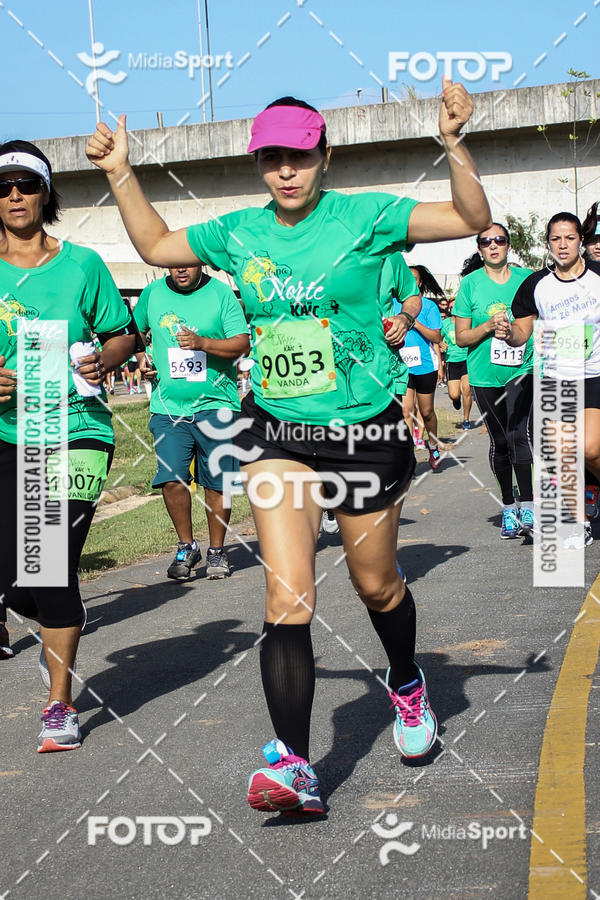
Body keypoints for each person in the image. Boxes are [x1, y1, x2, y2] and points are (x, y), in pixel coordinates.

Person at [86, 79, 492, 814]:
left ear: (324, 156)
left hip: (365, 429)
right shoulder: (238, 230)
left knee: (377, 586)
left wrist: (454, 142)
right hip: (279, 430)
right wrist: (120, 170)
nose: (285, 170)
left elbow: (472, 214)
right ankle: (295, 764)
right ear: (258, 162)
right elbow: (151, 245)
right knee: (287, 594)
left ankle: (406, 683)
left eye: (298, 156)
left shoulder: (369, 216)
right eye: (271, 157)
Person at [0, 140, 137, 750]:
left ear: (46, 193)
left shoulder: (82, 265)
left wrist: (103, 362)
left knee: (50, 568)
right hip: (9, 435)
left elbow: (122, 335)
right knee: (16, 577)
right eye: (3, 187)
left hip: (75, 432)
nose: (14, 196)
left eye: (26, 185)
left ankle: (59, 706)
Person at [134, 264, 249, 579]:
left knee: (217, 481)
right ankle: (186, 546)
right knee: (171, 479)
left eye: (187, 261)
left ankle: (216, 550)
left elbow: (242, 343)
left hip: (217, 404)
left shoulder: (220, 293)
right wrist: (143, 358)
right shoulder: (153, 293)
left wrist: (203, 344)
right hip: (168, 408)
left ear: (200, 261)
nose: (180, 268)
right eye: (173, 262)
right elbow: (132, 333)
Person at [496, 211, 600, 548]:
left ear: (581, 241)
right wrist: (507, 332)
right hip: (556, 378)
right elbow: (521, 334)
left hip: (594, 375)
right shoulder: (537, 285)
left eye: (570, 237)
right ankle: (580, 525)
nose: (563, 244)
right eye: (556, 238)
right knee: (564, 452)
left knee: (590, 448)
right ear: (548, 243)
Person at [453, 224, 534, 538]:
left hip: (521, 367)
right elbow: (461, 338)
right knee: (500, 442)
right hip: (485, 373)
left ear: (508, 245)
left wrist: (511, 332)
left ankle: (529, 506)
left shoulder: (525, 279)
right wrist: (487, 326)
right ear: (479, 249)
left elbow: (530, 325)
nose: (493, 245)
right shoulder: (470, 285)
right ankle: (508, 507)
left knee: (517, 434)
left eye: (499, 240)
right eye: (486, 242)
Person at [399, 265, 444, 470]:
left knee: (426, 412)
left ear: (419, 282)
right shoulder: (392, 304)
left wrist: (414, 322)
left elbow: (436, 336)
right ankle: (408, 456)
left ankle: (433, 446)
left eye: (413, 277)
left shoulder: (428, 306)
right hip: (401, 365)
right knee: (406, 411)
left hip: (426, 365)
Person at [441, 313, 472, 429]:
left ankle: (466, 419)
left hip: (466, 359)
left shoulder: (467, 321)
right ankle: (456, 399)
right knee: (454, 395)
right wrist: (441, 344)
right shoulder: (446, 323)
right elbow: (437, 339)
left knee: (467, 390)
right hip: (452, 360)